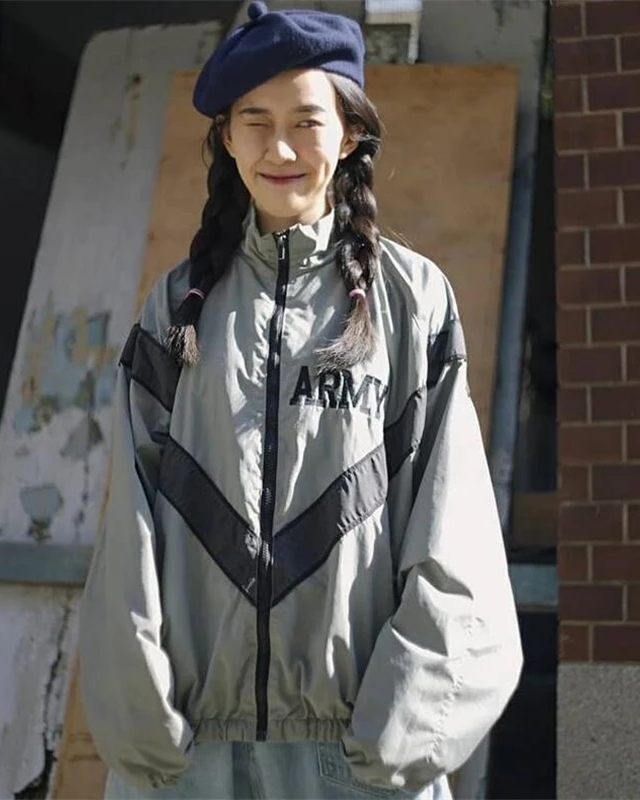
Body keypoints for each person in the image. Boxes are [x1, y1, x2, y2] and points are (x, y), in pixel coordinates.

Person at [78, 3, 523, 798]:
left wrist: (395, 737)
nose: (280, 148)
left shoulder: (410, 302)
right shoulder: (178, 306)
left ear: (349, 133)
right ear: (225, 137)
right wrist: (147, 733)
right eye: (254, 121)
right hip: (193, 758)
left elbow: (454, 526)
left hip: (356, 759)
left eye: (306, 121)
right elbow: (129, 528)